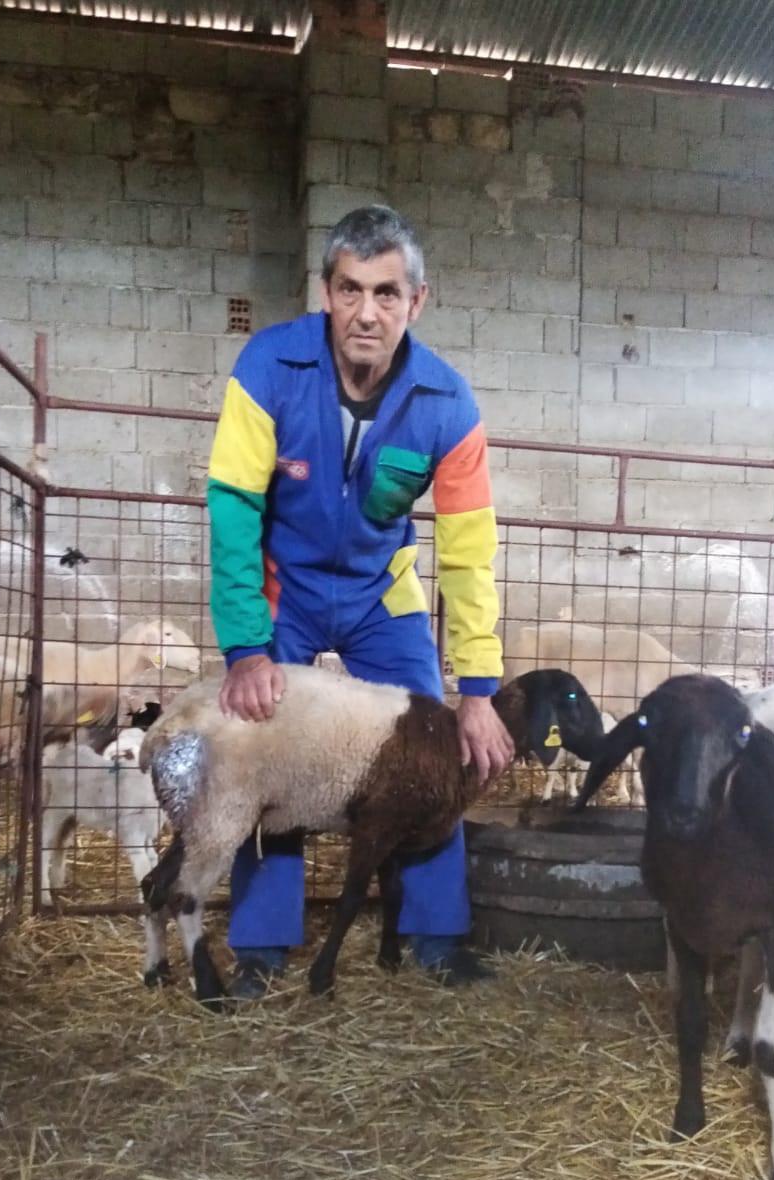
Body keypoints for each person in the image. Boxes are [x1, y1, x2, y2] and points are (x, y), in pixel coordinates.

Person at [205, 204, 514, 997]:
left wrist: (477, 689)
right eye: (349, 290)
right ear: (326, 292)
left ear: (418, 301)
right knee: (263, 740)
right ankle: (266, 945)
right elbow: (234, 507)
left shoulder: (448, 401)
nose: (365, 313)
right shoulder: (269, 367)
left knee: (432, 745)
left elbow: (470, 550)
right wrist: (245, 647)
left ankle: (437, 935)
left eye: (386, 293)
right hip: (288, 588)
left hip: (384, 593)